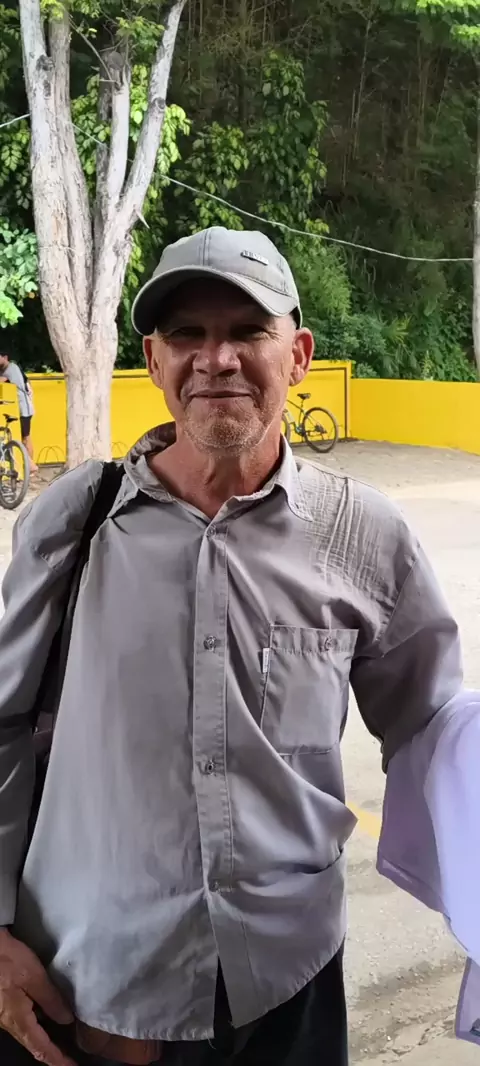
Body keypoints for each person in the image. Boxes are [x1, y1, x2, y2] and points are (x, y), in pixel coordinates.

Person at [0, 227, 469, 1066]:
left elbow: (436, 729)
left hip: (287, 985)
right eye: (188, 333)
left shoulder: (365, 534)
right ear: (155, 360)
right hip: (99, 987)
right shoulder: (73, 525)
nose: (216, 359)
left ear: (299, 355)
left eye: (248, 331)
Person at [0, 350, 38, 472]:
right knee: (22, 438)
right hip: (16, 409)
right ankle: (28, 467)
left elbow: (5, 381)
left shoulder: (12, 368)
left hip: (23, 409)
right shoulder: (4, 370)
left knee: (26, 438)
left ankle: (31, 467)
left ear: (5, 357)